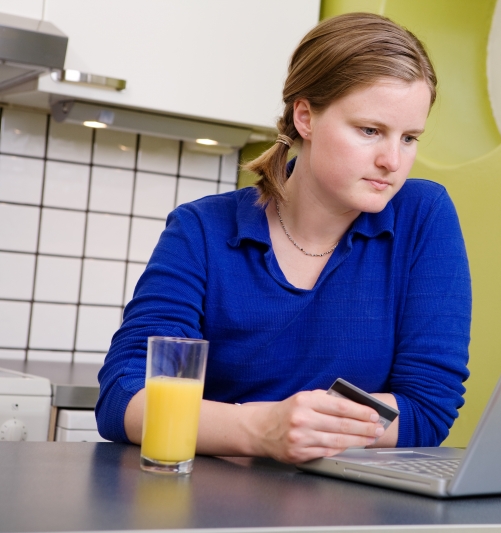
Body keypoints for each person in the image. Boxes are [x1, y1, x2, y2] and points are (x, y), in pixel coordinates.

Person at [95, 12, 471, 464]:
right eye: (370, 131)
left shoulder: (423, 215)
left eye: (409, 137)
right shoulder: (202, 230)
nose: (393, 160)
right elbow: (125, 395)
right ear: (306, 117)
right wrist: (261, 430)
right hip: (210, 502)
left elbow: (428, 407)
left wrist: (309, 430)